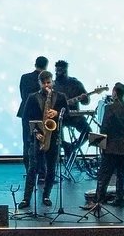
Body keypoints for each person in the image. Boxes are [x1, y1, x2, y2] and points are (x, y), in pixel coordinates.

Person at [21, 69, 59, 211]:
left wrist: (57, 113)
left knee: (51, 170)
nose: (46, 86)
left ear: (52, 82)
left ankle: (46, 196)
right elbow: (26, 118)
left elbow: (66, 114)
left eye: (48, 82)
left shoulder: (59, 97)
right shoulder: (32, 97)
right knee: (32, 169)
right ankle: (26, 198)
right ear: (39, 83)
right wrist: (35, 132)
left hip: (53, 138)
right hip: (37, 138)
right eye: (44, 83)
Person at [93, 83, 124, 208]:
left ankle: (98, 200)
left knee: (104, 175)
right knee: (121, 174)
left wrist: (102, 145)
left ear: (115, 93)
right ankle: (119, 199)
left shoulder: (108, 108)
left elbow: (104, 128)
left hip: (111, 146)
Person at [52, 59, 92, 155]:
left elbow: (86, 102)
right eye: (56, 70)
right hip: (58, 116)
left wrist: (84, 98)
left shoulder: (76, 84)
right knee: (54, 135)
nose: (57, 73)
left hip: (74, 116)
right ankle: (66, 146)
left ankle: (73, 147)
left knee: (88, 132)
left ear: (65, 71)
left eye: (60, 70)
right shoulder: (53, 85)